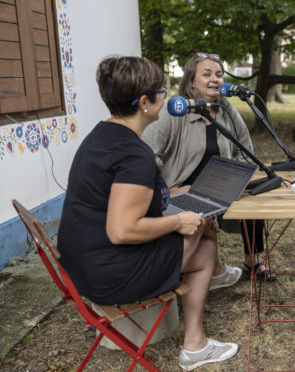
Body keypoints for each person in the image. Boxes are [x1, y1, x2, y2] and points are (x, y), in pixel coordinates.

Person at [57, 56, 238, 370]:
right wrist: (179, 220)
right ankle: (195, 347)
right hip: (110, 275)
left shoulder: (102, 136)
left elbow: (115, 199)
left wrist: (172, 193)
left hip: (82, 266)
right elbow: (122, 230)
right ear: (144, 102)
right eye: (162, 91)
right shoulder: (134, 153)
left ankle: (196, 343)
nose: (166, 96)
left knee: (205, 243)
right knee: (200, 228)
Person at [142, 52, 275, 285]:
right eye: (206, 74)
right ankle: (211, 270)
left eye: (219, 74)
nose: (215, 79)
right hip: (182, 191)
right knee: (201, 214)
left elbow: (245, 150)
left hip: (220, 188)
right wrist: (166, 190)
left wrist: (237, 179)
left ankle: (251, 263)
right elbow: (146, 155)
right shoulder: (174, 111)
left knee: (255, 203)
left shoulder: (226, 110)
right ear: (191, 81)